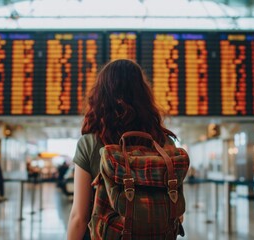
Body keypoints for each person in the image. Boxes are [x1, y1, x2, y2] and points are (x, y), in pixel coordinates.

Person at [67, 59, 180, 239]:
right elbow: (177, 213)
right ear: (143, 95)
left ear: (101, 95)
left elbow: (79, 217)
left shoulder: (90, 143)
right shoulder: (164, 143)